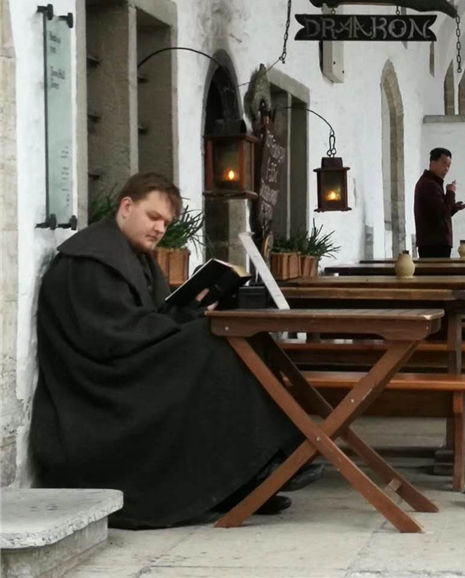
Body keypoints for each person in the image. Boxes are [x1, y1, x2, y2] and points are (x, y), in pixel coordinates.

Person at [30, 173, 316, 529]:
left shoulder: (130, 254)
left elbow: (145, 320)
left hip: (124, 366)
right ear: (126, 206)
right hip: (97, 391)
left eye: (165, 223)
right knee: (215, 344)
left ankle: (255, 470)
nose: (160, 229)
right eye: (153, 217)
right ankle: (257, 470)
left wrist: (190, 310)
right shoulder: (89, 261)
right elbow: (112, 336)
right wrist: (188, 320)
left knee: (234, 337)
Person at [414, 147, 465, 258]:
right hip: (433, 244)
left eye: (449, 165)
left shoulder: (433, 183)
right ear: (432, 162)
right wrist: (450, 192)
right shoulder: (429, 184)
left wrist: (455, 207)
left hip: (434, 243)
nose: (446, 168)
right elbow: (442, 213)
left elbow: (437, 213)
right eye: (444, 163)